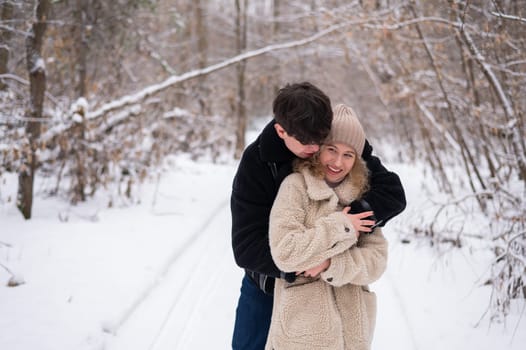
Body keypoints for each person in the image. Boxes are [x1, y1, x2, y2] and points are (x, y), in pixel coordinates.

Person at [230, 82, 405, 350]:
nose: (315, 149)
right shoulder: (257, 162)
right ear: (281, 131)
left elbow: (392, 192)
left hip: (339, 291)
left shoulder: (334, 139)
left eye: (320, 141)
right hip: (266, 282)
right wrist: (302, 265)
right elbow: (246, 247)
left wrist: (356, 218)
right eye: (306, 143)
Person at [265, 103, 388, 350]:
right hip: (302, 331)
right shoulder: (295, 187)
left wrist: (332, 264)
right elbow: (285, 252)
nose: (337, 162)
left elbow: (376, 260)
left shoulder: (361, 195)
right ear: (318, 149)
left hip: (353, 332)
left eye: (348, 154)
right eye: (331, 149)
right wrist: (343, 226)